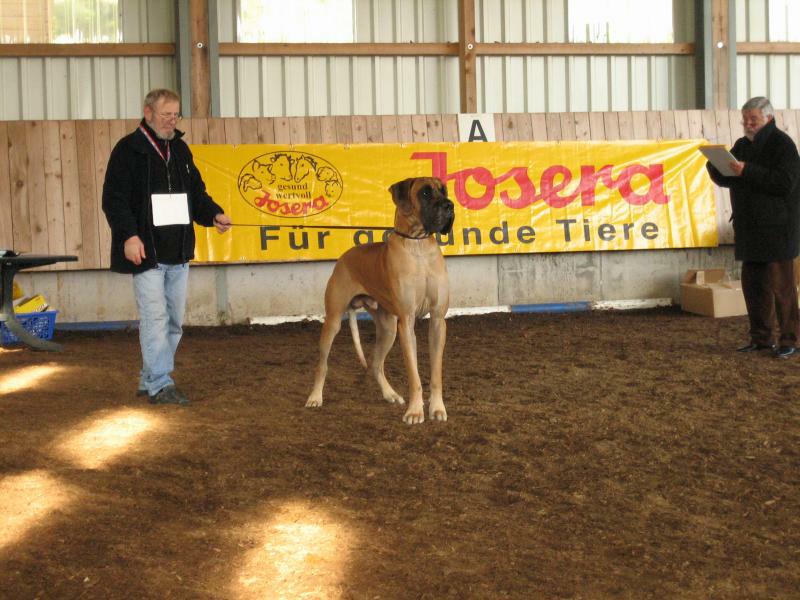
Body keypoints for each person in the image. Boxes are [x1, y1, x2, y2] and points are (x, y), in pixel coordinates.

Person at [102, 89, 232, 404]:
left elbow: (196, 194)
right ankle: (161, 383)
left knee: (174, 320)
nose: (172, 121)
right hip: (147, 251)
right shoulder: (128, 150)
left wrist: (213, 213)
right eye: (166, 114)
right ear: (148, 113)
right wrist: (129, 236)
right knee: (156, 318)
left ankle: (150, 378)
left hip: (178, 251)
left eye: (175, 115)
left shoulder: (181, 151)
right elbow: (114, 200)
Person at [706, 96, 800, 358]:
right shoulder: (742, 145)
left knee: (783, 288)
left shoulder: (783, 145)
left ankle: (790, 339)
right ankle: (761, 338)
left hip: (778, 228)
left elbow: (785, 183)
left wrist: (747, 170)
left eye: (753, 119)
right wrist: (714, 166)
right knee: (754, 287)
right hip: (750, 229)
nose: (747, 123)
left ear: (768, 118)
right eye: (745, 119)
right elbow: (729, 179)